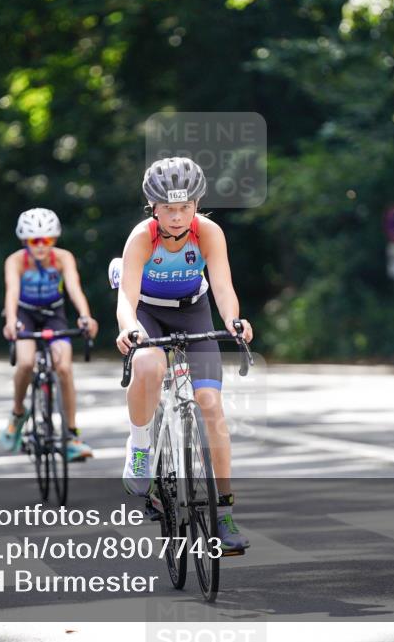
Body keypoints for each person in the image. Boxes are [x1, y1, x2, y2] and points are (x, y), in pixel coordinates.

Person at [114, 157, 254, 555]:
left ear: (196, 205)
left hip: (194, 310)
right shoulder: (142, 237)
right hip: (149, 313)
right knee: (148, 364)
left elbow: (222, 287)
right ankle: (139, 447)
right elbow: (126, 297)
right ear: (153, 207)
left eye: (185, 207)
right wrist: (129, 328)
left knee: (210, 403)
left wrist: (233, 320)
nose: (177, 217)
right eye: (168, 208)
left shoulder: (208, 232)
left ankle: (224, 514)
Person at [1, 208, 99, 462]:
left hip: (54, 313)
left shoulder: (63, 258)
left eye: (47, 239)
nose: (41, 246)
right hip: (25, 313)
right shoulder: (15, 261)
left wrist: (85, 316)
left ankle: (72, 435)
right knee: (25, 363)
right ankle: (18, 412)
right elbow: (12, 292)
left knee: (64, 368)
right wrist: (11, 321)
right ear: (25, 241)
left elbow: (74, 288)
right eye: (35, 240)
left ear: (54, 240)